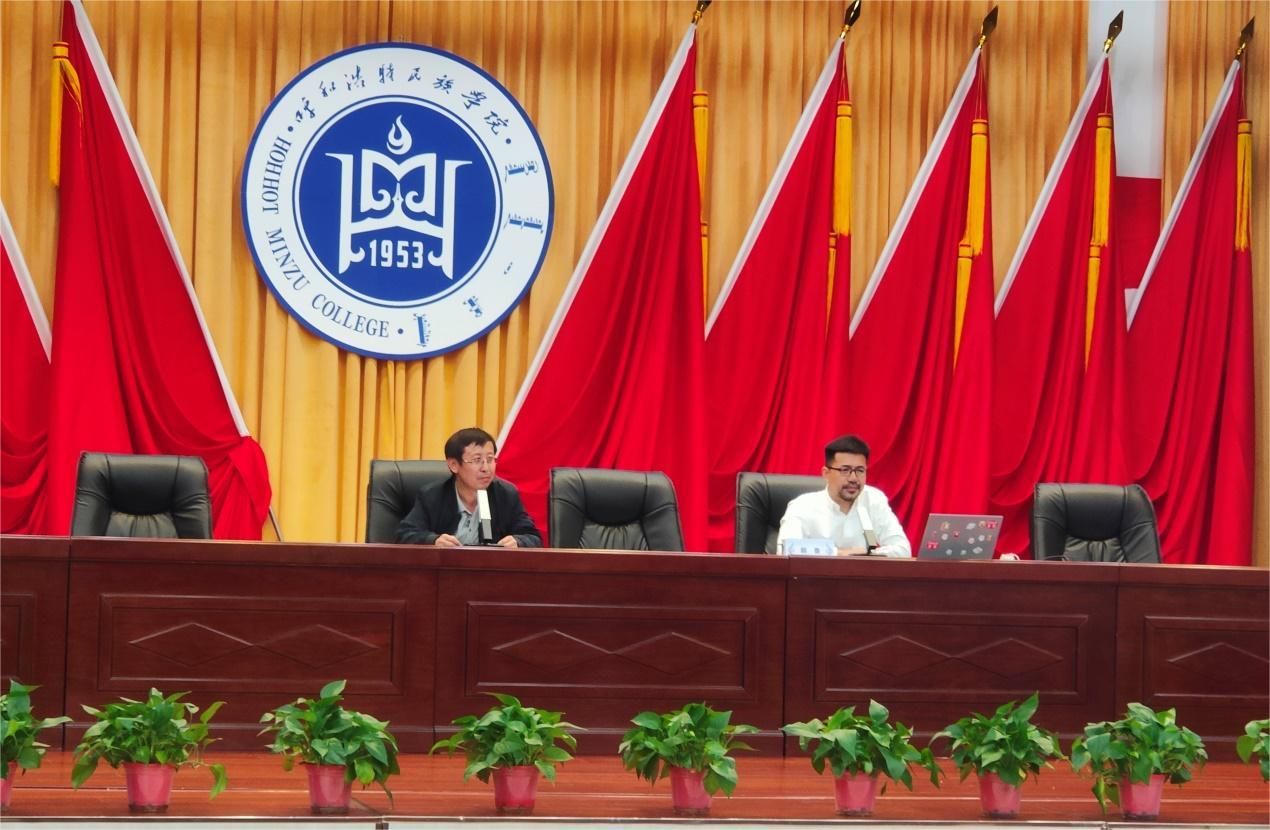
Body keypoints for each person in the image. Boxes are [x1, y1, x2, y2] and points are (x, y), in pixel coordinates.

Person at [395, 427, 542, 547]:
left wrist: (518, 541)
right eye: (477, 460)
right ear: (454, 465)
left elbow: (533, 537)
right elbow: (404, 535)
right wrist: (433, 540)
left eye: (490, 459)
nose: (486, 468)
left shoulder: (506, 495)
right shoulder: (432, 496)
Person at [776, 435, 911, 557]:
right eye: (845, 470)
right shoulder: (802, 506)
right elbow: (786, 551)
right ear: (826, 473)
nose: (853, 478)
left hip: (861, 576)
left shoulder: (873, 499)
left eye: (860, 470)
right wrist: (838, 553)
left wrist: (866, 554)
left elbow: (903, 549)